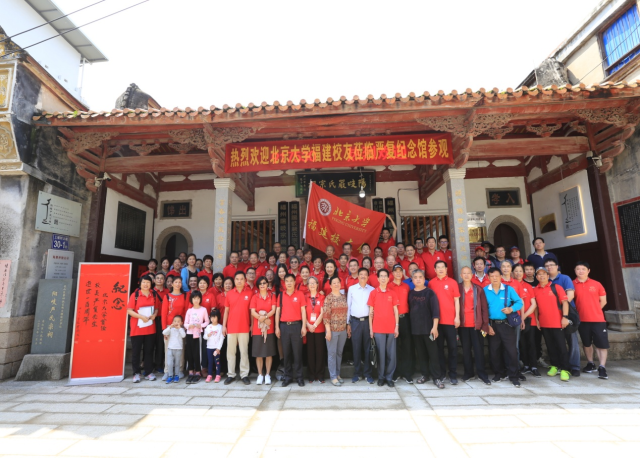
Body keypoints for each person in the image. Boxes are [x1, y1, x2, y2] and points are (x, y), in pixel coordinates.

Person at [484, 267, 523, 387]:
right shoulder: (485, 290)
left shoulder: (508, 289)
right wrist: (487, 326)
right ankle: (498, 373)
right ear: (488, 278)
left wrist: (511, 309)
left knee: (511, 351)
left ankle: (514, 375)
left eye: (497, 276)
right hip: (493, 325)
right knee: (494, 351)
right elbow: (482, 309)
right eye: (492, 276)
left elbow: (519, 302)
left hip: (507, 324)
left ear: (501, 276)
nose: (494, 278)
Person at [530, 267, 571, 382]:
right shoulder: (535, 290)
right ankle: (555, 365)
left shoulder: (556, 287)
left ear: (548, 276)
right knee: (550, 346)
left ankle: (565, 369)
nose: (541, 276)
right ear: (536, 277)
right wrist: (537, 320)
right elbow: (536, 307)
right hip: (544, 323)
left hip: (558, 322)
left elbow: (565, 303)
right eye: (539, 274)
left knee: (561, 346)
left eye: (544, 274)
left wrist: (565, 317)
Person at [545, 259, 581, 377]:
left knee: (571, 340)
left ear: (557, 266)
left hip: (567, 313)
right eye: (546, 266)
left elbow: (570, 295)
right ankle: (559, 365)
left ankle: (574, 366)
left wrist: (560, 309)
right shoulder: (544, 280)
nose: (549, 267)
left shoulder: (564, 278)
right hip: (552, 316)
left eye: (551, 265)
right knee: (557, 341)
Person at [573, 262, 609, 379]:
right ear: (575, 271)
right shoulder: (572, 284)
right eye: (578, 269)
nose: (580, 271)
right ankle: (590, 363)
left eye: (583, 269)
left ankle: (602, 367)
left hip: (598, 319)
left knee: (601, 344)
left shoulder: (596, 284)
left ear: (588, 271)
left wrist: (594, 310)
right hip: (582, 320)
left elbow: (603, 301)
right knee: (586, 343)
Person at [409, 270, 444, 388]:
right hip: (416, 329)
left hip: (429, 329)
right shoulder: (410, 293)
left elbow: (435, 311)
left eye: (420, 277)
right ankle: (425, 374)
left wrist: (435, 327)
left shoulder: (430, 293)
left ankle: (437, 377)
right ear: (412, 280)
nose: (418, 279)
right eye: (415, 277)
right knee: (421, 354)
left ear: (424, 279)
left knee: (433, 354)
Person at [428, 260, 461, 384]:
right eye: (438, 267)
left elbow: (456, 301)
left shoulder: (452, 282)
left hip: (451, 321)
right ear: (434, 270)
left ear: (446, 269)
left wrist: (457, 317)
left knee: (453, 348)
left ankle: (453, 374)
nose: (441, 269)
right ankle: (441, 373)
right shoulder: (431, 283)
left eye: (443, 267)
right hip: (436, 323)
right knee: (439, 349)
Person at [458, 267, 491, 385]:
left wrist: (485, 325)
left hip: (477, 325)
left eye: (468, 273)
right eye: (464, 273)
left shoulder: (478, 289)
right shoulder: (457, 288)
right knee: (466, 350)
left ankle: (482, 373)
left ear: (472, 275)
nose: (466, 275)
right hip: (462, 325)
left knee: (478, 350)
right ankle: (468, 373)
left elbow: (484, 309)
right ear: (461, 275)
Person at [368, 269, 399, 387]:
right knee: (380, 354)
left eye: (385, 276)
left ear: (388, 278)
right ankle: (381, 377)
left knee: (391, 354)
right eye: (381, 276)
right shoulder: (373, 293)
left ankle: (389, 377)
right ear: (377, 278)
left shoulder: (392, 293)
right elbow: (370, 313)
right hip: (378, 328)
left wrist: (397, 327)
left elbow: (396, 311)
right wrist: (371, 329)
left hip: (391, 328)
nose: (383, 278)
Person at [276, 273, 307, 387]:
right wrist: (277, 327)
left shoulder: (300, 294)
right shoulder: (281, 295)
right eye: (287, 281)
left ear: (294, 282)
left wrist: (303, 326)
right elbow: (277, 312)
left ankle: (299, 377)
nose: (289, 283)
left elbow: (303, 311)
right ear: (284, 283)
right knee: (286, 353)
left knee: (297, 353)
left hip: (296, 326)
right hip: (284, 326)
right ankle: (287, 377)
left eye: (291, 281)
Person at [223, 272, 253, 385]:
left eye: (241, 279)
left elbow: (251, 311)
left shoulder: (249, 293)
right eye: (237, 279)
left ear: (245, 280)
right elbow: (226, 311)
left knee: (244, 352)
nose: (239, 281)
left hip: (244, 327)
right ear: (234, 280)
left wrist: (252, 325)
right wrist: (224, 326)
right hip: (231, 327)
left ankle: (244, 374)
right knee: (230, 352)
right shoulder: (229, 294)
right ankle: (231, 374)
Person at [128, 275, 159, 383]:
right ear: (140, 283)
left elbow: (156, 308)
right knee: (136, 352)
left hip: (150, 328)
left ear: (151, 284)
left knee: (149, 351)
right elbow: (129, 310)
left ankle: (148, 372)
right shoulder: (135, 295)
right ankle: (136, 373)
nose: (146, 284)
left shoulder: (153, 294)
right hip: (137, 328)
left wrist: (154, 315)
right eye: (144, 282)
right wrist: (140, 317)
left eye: (148, 282)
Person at [347, 267, 374, 384]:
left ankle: (368, 374)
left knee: (368, 348)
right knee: (356, 347)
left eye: (365, 274)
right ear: (358, 276)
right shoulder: (352, 289)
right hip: (355, 322)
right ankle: (357, 373)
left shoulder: (372, 290)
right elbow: (348, 306)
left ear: (368, 277)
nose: (363, 276)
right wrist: (348, 323)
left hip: (368, 322)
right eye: (361, 274)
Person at [513, 264, 540, 378]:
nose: (518, 273)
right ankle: (526, 365)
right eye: (516, 271)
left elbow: (534, 304)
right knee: (521, 343)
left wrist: (523, 317)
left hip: (529, 318)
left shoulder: (528, 286)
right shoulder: (511, 285)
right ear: (513, 273)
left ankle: (534, 366)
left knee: (531, 343)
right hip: (515, 319)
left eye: (520, 271)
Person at [250, 276, 277, 385]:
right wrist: (262, 318)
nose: (262, 285)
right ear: (258, 285)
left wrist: (264, 317)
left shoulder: (272, 295)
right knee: (259, 353)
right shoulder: (255, 297)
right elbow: (253, 312)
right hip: (257, 329)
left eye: (264, 283)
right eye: (260, 283)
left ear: (267, 284)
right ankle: (260, 374)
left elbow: (273, 310)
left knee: (268, 353)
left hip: (269, 328)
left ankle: (268, 375)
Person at [323, 276, 349, 386]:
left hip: (342, 330)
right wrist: (328, 331)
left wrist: (347, 326)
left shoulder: (343, 297)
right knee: (332, 353)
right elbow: (326, 315)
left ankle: (338, 374)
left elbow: (346, 313)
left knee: (339, 353)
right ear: (330, 285)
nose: (336, 284)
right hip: (332, 330)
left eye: (338, 282)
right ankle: (333, 376)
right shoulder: (328, 298)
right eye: (334, 283)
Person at [389, 264, 413, 383]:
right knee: (395, 347)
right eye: (396, 271)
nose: (398, 273)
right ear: (392, 273)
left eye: (400, 271)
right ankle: (396, 372)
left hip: (405, 319)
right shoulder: (389, 286)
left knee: (407, 347)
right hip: (392, 319)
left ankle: (407, 373)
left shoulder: (406, 286)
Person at [161, 276, 188, 379]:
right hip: (169, 326)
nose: (177, 284)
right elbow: (164, 313)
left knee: (180, 349)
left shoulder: (185, 296)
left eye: (179, 282)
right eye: (175, 282)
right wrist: (164, 329)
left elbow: (186, 312)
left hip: (180, 327)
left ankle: (179, 370)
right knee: (168, 350)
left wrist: (184, 326)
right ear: (172, 284)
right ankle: (167, 371)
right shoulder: (167, 296)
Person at [184, 291, 209, 384]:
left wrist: (201, 325)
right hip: (189, 333)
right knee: (189, 353)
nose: (196, 300)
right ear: (191, 299)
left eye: (198, 298)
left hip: (198, 334)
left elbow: (207, 321)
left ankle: (198, 371)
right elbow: (185, 323)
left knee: (197, 353)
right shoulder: (189, 310)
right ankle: (191, 371)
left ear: (200, 299)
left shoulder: (203, 310)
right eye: (194, 298)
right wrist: (188, 326)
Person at [305, 276, 326, 383]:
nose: (312, 285)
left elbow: (322, 313)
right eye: (310, 283)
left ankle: (320, 375)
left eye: (314, 283)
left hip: (319, 328)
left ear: (317, 285)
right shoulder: (305, 297)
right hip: (308, 328)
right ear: (307, 285)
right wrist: (308, 325)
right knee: (310, 353)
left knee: (320, 352)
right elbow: (302, 312)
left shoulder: (321, 297)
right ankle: (311, 375)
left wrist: (315, 325)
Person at [162, 315, 185, 384]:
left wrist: (180, 328)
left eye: (178, 321)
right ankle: (170, 375)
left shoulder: (181, 329)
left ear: (181, 323)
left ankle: (177, 375)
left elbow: (183, 335)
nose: (176, 323)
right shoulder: (171, 329)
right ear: (172, 322)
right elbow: (164, 332)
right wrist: (170, 327)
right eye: (175, 321)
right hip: (170, 348)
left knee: (177, 363)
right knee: (170, 363)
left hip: (178, 349)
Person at [203, 308, 224, 383]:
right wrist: (207, 335)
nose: (213, 319)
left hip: (216, 348)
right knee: (210, 362)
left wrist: (218, 348)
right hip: (209, 347)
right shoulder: (208, 327)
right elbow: (204, 337)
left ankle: (218, 375)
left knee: (217, 362)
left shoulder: (220, 327)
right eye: (211, 317)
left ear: (218, 317)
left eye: (215, 317)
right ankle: (209, 375)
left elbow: (221, 338)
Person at [153, 273, 168, 376]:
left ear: (164, 281)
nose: (159, 280)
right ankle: (148, 365)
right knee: (150, 343)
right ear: (154, 280)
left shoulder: (167, 292)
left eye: (161, 278)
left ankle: (159, 365)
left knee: (160, 343)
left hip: (163, 320)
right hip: (151, 320)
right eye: (157, 278)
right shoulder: (150, 292)